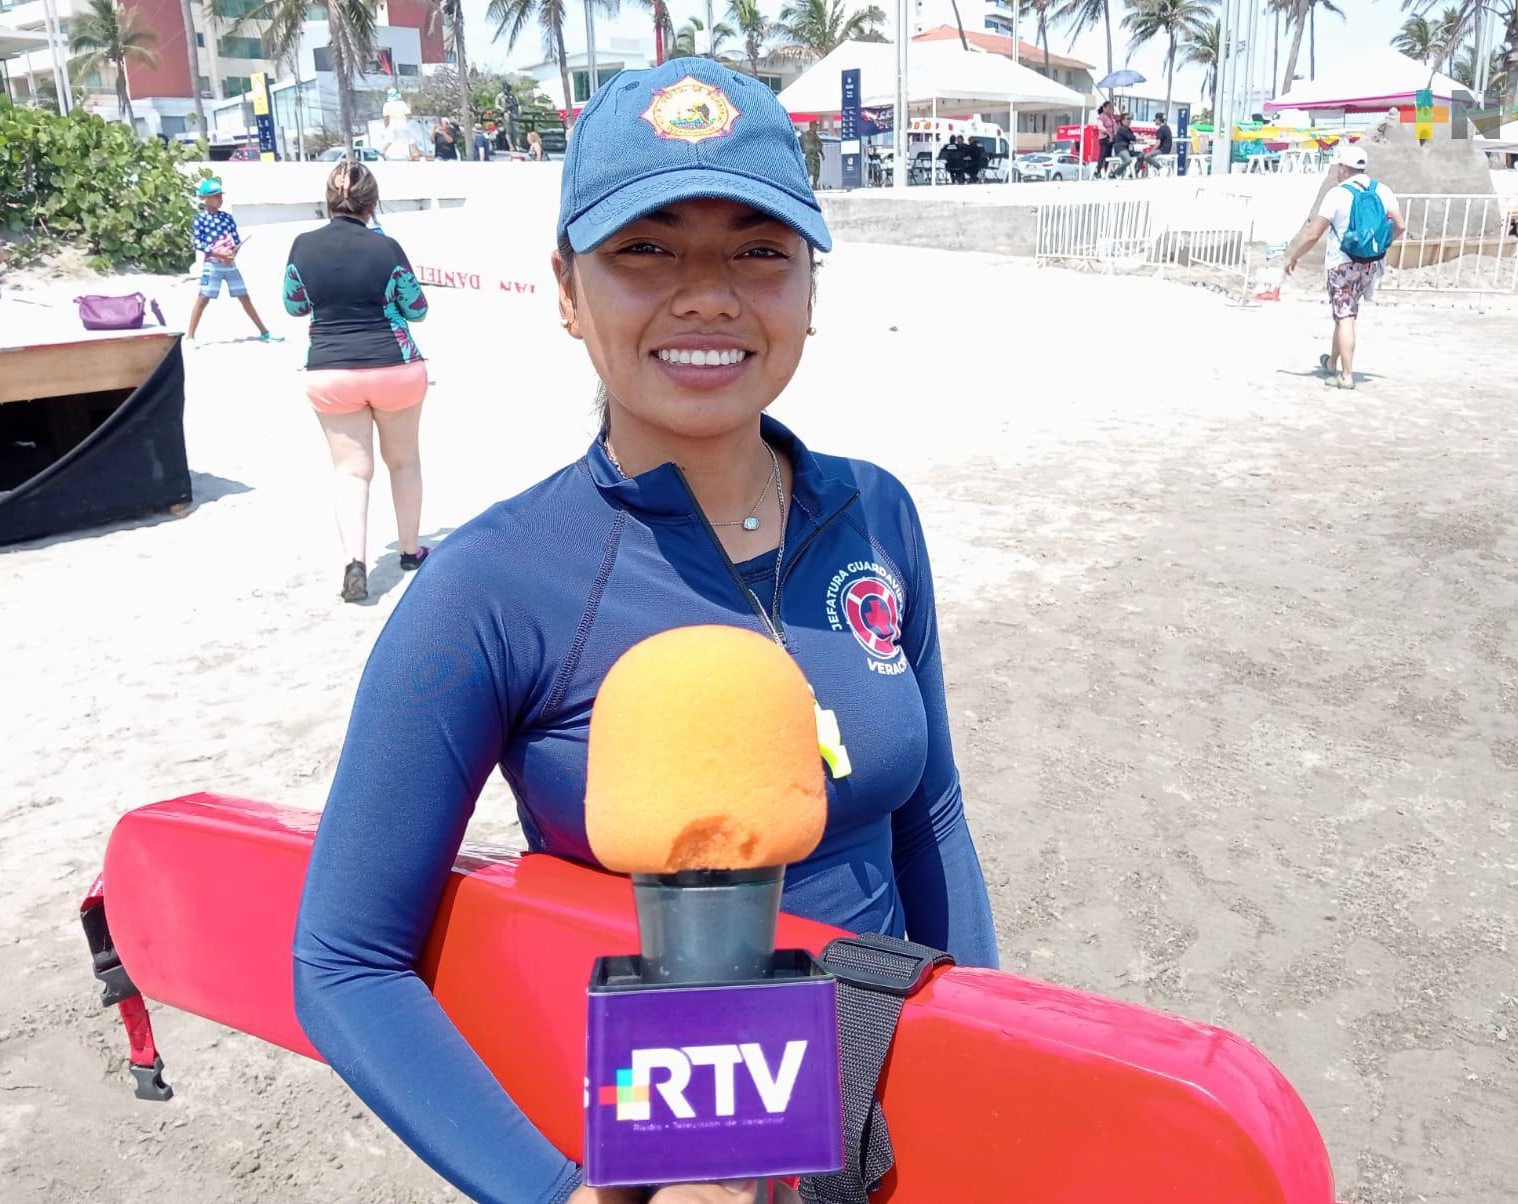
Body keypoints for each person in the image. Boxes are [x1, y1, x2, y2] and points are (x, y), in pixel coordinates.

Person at [292, 56, 999, 1204]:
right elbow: (345, 960)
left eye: (759, 249)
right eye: (646, 249)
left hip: (889, 1129)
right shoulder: (491, 585)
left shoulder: (878, 514)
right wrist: (553, 1190)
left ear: (809, 286)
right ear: (568, 290)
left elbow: (934, 814)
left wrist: (981, 1047)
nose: (709, 295)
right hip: (668, 1165)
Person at [281, 162, 430, 602]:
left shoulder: (301, 246)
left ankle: (355, 562)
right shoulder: (387, 248)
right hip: (394, 366)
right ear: (371, 202)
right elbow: (417, 308)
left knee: (350, 471)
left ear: (329, 200)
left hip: (330, 370)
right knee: (403, 463)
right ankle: (409, 551)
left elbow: (295, 305)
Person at [1284, 144, 1405, 390]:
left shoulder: (1337, 194)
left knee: (1345, 315)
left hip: (1341, 263)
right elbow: (1400, 225)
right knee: (1345, 313)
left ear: (1342, 168)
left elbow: (1312, 235)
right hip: (1369, 263)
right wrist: (1380, 245)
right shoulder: (1382, 190)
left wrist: (1294, 257)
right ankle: (1331, 363)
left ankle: (1346, 375)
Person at [186, 178, 279, 344]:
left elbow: (236, 240)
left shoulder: (227, 218)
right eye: (216, 196)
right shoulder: (200, 219)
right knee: (203, 298)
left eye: (221, 195)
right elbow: (197, 242)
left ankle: (264, 331)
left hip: (229, 264)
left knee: (244, 296)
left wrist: (233, 254)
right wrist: (217, 252)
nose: (220, 199)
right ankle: (190, 336)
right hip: (212, 264)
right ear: (205, 198)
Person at [1093, 100, 1118, 170]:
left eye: (1112, 108)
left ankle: (1106, 170)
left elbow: (1115, 126)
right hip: (1104, 138)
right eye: (1109, 107)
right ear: (1104, 108)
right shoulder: (1102, 117)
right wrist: (1108, 133)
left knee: (1109, 155)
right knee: (1103, 154)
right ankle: (1098, 170)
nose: (1111, 109)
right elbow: (1100, 127)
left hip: (1112, 138)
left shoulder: (1112, 117)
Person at [1111, 112, 1137, 177]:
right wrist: (1138, 138)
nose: (1130, 121)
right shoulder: (1122, 129)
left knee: (1141, 155)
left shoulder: (1129, 130)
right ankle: (1115, 173)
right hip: (1121, 149)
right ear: (1122, 121)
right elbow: (1132, 137)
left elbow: (1133, 138)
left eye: (1130, 119)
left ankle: (1135, 172)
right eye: (1128, 119)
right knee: (1128, 160)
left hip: (1127, 149)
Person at [800, 119, 823, 189]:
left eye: (817, 126)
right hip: (810, 155)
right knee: (810, 171)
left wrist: (822, 153)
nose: (816, 127)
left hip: (816, 155)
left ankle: (815, 184)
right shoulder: (807, 135)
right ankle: (805, 185)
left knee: (817, 171)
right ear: (811, 126)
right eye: (815, 126)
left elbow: (819, 144)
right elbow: (808, 146)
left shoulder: (815, 135)